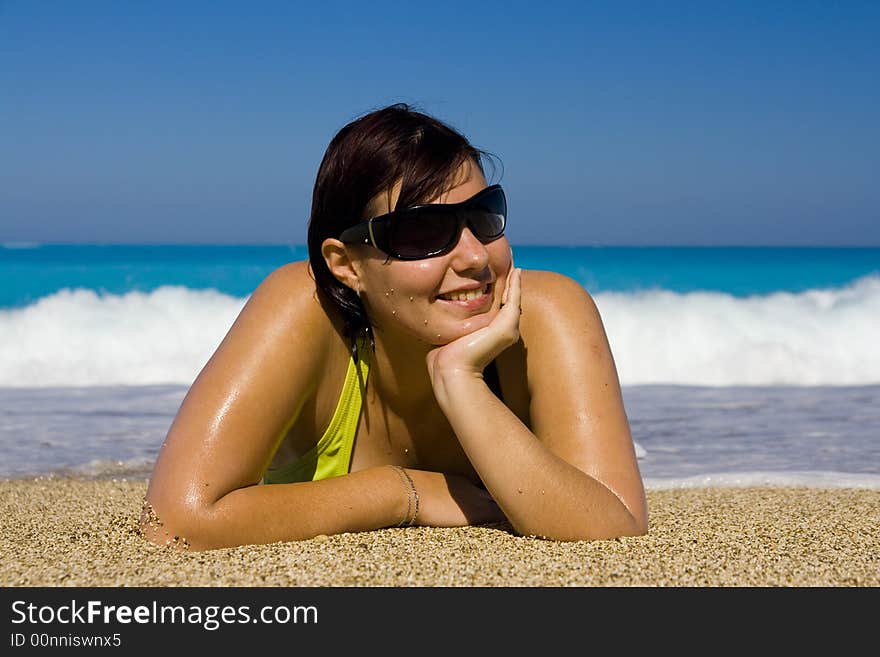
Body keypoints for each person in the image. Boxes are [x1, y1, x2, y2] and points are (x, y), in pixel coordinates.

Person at [141, 103, 648, 550]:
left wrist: (462, 382)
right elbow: (176, 521)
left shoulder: (549, 313)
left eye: (484, 216)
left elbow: (613, 528)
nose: (474, 256)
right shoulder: (305, 308)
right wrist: (404, 492)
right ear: (346, 264)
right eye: (424, 231)